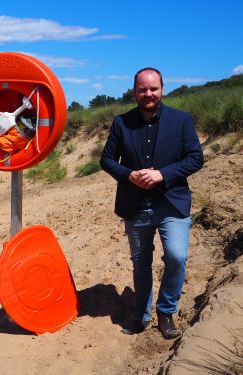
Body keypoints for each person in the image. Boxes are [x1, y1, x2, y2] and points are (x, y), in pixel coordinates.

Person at [100, 67, 203, 340]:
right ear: (134, 91)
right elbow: (107, 159)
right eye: (142, 89)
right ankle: (142, 314)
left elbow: (196, 158)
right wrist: (128, 174)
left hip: (172, 202)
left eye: (153, 88)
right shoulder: (121, 123)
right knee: (140, 262)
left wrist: (163, 174)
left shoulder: (181, 120)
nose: (148, 94)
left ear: (162, 89)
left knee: (177, 256)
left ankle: (166, 311)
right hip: (135, 205)